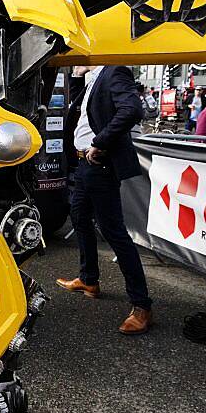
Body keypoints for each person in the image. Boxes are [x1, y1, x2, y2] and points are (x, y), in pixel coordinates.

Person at [57, 65, 153, 335]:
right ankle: (89, 280)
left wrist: (101, 142)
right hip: (83, 165)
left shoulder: (114, 71)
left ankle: (141, 305)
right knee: (79, 219)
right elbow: (78, 113)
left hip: (99, 164)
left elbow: (133, 110)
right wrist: (77, 77)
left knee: (114, 233)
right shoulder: (92, 77)